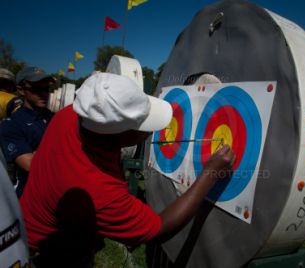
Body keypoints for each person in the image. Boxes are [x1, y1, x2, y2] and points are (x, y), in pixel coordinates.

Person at [20, 72, 235, 267]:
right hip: (50, 256)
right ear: (117, 135)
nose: (150, 133)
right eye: (143, 126)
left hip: (44, 230)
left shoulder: (75, 116)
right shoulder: (98, 191)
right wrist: (209, 174)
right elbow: (159, 230)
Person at [0, 67, 55, 197]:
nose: (44, 94)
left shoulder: (54, 117)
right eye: (37, 89)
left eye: (47, 89)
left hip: (54, 192)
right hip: (28, 195)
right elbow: (30, 164)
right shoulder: (11, 124)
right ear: (21, 90)